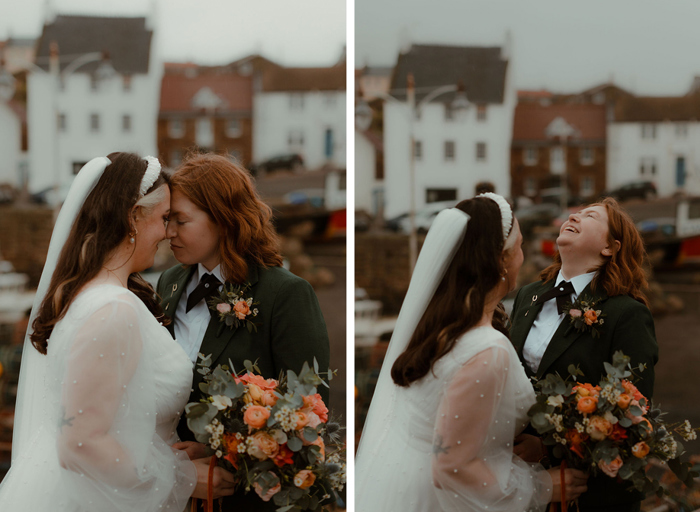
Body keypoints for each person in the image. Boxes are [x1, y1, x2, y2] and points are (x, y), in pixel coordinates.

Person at [0, 153, 235, 511]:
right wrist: (186, 479)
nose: (168, 233)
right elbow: (81, 444)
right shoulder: (113, 309)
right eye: (164, 218)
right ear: (133, 218)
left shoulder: (85, 295)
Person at [355, 193, 587, 512]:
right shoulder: (487, 350)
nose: (522, 256)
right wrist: (542, 486)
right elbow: (453, 466)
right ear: (502, 261)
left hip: (396, 480)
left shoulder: (433, 324)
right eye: (519, 247)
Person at [156, 153, 330, 511]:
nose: (168, 232)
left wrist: (215, 448)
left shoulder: (284, 294)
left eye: (180, 221)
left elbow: (308, 411)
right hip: (175, 491)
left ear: (223, 220)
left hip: (249, 496)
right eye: (166, 219)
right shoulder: (169, 282)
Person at [510, 198, 658, 512]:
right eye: (577, 212)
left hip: (594, 493)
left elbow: (630, 412)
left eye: (590, 215)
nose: (574, 215)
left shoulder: (626, 314)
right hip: (524, 480)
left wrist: (546, 449)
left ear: (609, 247)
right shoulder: (528, 295)